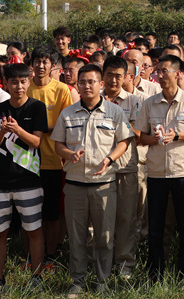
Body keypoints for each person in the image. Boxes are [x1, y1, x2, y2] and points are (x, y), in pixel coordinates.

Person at [52, 64, 132, 297]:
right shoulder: (67, 113)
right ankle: (77, 281)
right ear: (78, 85)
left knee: (104, 237)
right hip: (75, 184)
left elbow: (124, 141)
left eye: (91, 81)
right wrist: (69, 154)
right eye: (83, 82)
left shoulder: (114, 112)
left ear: (101, 84)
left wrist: (110, 158)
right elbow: (58, 144)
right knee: (77, 238)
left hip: (104, 184)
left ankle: (102, 281)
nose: (87, 86)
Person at [136, 54, 184, 280]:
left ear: (178, 74)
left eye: (165, 71)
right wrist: (156, 138)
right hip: (157, 173)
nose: (160, 75)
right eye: (158, 71)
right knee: (156, 227)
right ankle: (155, 273)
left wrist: (178, 135)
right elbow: (141, 136)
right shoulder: (150, 103)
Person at [0, 63, 48, 294]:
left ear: (29, 82)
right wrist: (2, 131)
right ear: (6, 83)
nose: (19, 86)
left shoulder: (38, 107)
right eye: (14, 82)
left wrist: (17, 130)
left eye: (23, 81)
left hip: (29, 180)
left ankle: (37, 276)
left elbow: (37, 142)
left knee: (34, 230)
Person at [25, 45, 75, 268]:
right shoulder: (24, 88)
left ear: (53, 66)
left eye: (46, 62)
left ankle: (51, 254)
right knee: (28, 212)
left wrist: (38, 129)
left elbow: (67, 125)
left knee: (52, 212)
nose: (41, 65)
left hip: (53, 160)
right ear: (32, 64)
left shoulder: (62, 90)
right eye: (37, 61)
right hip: (25, 161)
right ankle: (29, 255)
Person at [101, 56, 143, 279]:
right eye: (110, 75)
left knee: (126, 219)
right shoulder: (93, 99)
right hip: (98, 168)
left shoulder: (134, 102)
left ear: (126, 77)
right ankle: (99, 264)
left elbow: (140, 135)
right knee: (98, 219)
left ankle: (125, 265)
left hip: (126, 168)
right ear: (103, 75)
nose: (114, 80)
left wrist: (120, 123)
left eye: (119, 76)